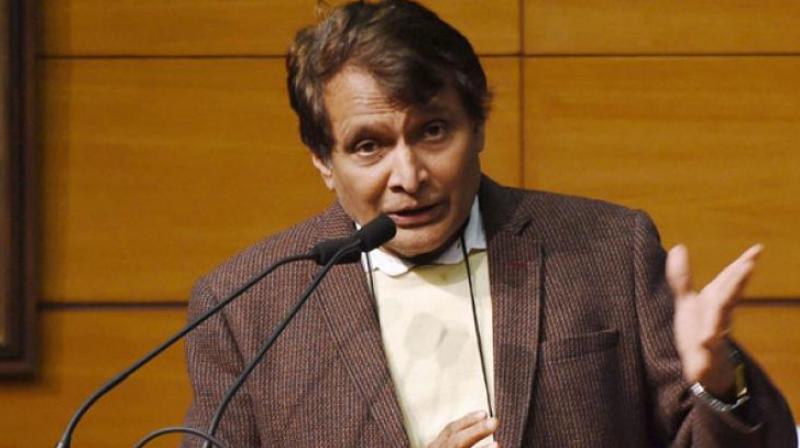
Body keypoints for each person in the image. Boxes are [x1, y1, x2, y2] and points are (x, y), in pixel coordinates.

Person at [182, 1, 797, 446]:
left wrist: (719, 382)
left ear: (476, 126)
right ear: (323, 159)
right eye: (369, 146)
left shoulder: (608, 251)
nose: (408, 176)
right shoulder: (248, 308)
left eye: (432, 131)